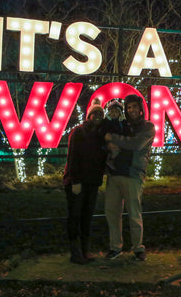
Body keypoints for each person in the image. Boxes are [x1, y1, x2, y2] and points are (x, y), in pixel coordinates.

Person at [104, 94, 155, 261]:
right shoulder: (121, 124)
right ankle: (115, 247)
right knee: (112, 212)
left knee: (134, 213)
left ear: (141, 109)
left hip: (133, 174)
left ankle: (138, 248)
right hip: (114, 173)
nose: (132, 110)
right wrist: (109, 142)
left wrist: (113, 139)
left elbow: (135, 144)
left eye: (134, 106)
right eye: (129, 107)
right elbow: (104, 137)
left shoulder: (148, 127)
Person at [63, 98, 107, 264]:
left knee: (87, 216)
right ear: (88, 115)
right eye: (94, 113)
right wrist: (74, 180)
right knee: (75, 216)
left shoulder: (100, 134)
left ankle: (85, 250)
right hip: (77, 182)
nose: (97, 115)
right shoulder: (79, 132)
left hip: (92, 182)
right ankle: (75, 252)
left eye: (100, 113)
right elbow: (73, 157)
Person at [102, 99, 124, 172]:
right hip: (110, 141)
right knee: (113, 151)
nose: (114, 114)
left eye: (116, 112)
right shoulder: (107, 121)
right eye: (112, 112)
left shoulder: (121, 122)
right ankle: (110, 161)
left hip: (118, 141)